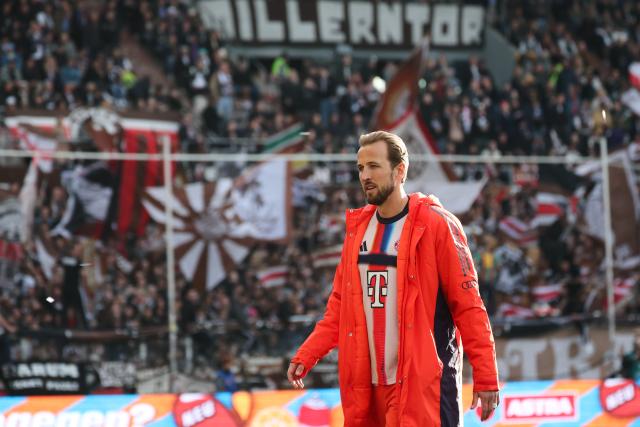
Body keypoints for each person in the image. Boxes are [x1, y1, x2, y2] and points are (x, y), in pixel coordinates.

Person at [287, 131, 500, 426]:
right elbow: (340, 306)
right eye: (361, 168)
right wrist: (307, 354)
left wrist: (486, 375)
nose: (365, 176)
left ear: (400, 171)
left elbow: (468, 305)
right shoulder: (357, 231)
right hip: (368, 389)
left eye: (374, 166)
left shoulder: (437, 225)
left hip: (424, 385)